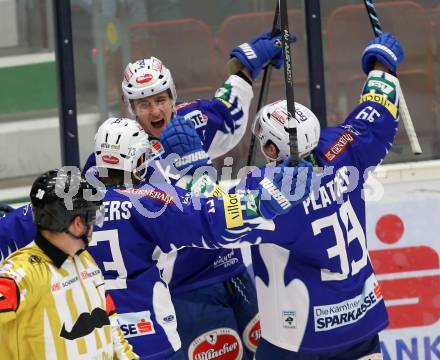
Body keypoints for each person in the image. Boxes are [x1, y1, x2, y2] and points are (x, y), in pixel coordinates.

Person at [0, 117, 311, 359]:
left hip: (91, 342)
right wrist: (264, 201)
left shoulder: (59, 207)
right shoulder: (148, 202)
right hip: (151, 338)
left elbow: (12, 226)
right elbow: (212, 217)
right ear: (137, 161)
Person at [83, 30, 294, 358]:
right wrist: (193, 171)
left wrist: (245, 64)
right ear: (130, 107)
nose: (155, 111)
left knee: (264, 352)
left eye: (160, 99)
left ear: (172, 96)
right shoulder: (118, 152)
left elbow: (227, 112)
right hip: (187, 289)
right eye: (143, 103)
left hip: (233, 271)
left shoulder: (190, 121)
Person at [214, 32, 405, 359]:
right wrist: (381, 67)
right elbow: (376, 115)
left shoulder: (264, 188)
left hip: (301, 336)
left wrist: (189, 163)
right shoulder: (344, 146)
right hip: (362, 321)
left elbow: (211, 220)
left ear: (273, 148)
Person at [0, 169, 137, 359]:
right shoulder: (21, 273)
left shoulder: (85, 260)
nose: (95, 224)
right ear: (78, 223)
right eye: (92, 216)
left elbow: (112, 328)